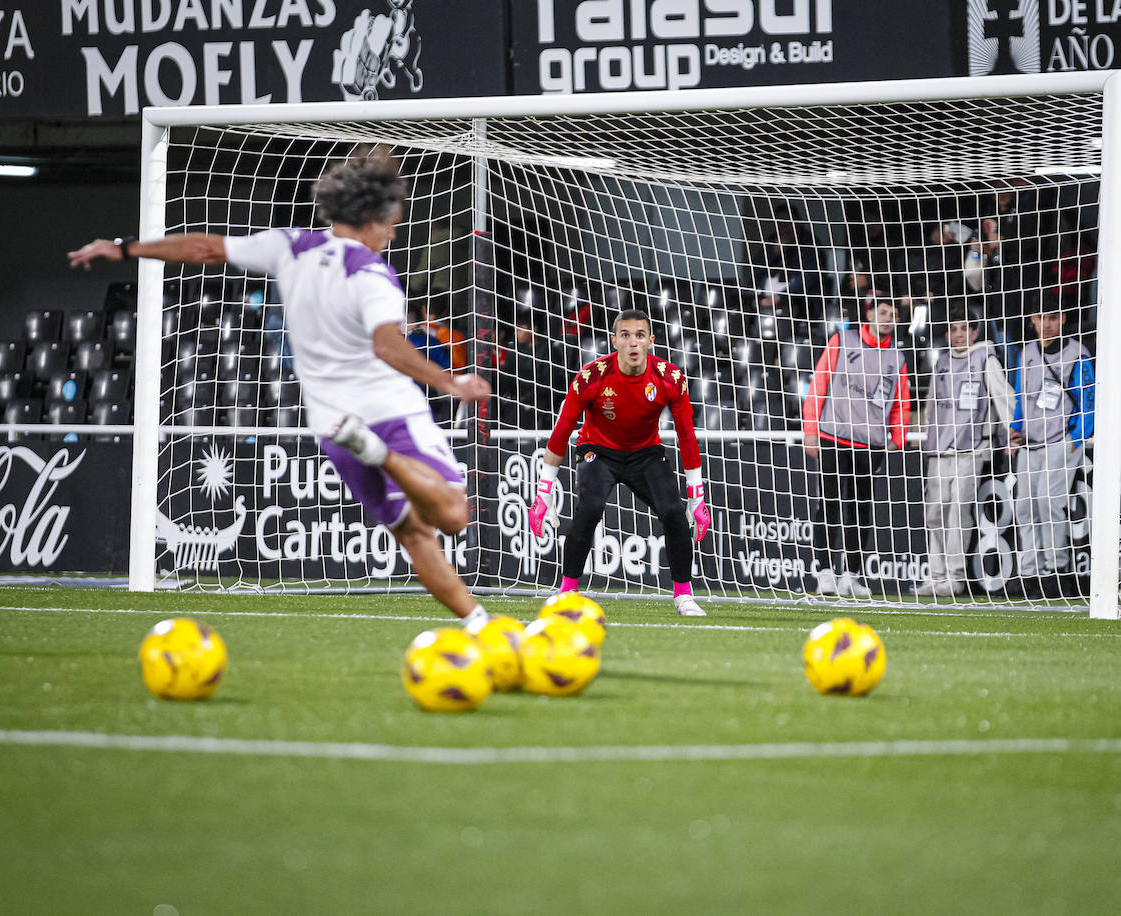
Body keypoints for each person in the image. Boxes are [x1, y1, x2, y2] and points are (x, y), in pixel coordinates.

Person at [68, 146, 495, 627]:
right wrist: (448, 381)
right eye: (391, 221)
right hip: (390, 412)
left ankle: (481, 626)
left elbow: (204, 248)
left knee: (417, 538)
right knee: (454, 516)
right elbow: (384, 345)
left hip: (333, 425)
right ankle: (381, 453)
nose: (393, 232)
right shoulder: (373, 273)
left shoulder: (291, 245)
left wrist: (125, 248)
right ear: (372, 218)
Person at [529, 309, 711, 616]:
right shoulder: (590, 377)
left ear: (651, 341)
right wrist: (544, 490)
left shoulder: (670, 378)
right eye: (625, 336)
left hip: (646, 453)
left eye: (640, 335)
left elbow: (687, 436)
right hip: (599, 451)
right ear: (614, 341)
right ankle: (567, 592)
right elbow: (561, 432)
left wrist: (697, 493)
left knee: (673, 513)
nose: (633, 343)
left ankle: (683, 595)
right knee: (589, 509)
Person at [802, 291, 911, 598]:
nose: (888, 318)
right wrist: (810, 429)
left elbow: (902, 403)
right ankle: (824, 572)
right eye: (883, 312)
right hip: (833, 436)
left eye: (893, 314)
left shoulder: (897, 358)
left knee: (861, 509)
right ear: (870, 314)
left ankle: (851, 575)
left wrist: (898, 437)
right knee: (830, 505)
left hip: (869, 446)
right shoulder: (841, 341)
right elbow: (818, 385)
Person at [917, 303, 1016, 597]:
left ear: (974, 332)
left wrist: (1013, 431)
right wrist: (927, 435)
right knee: (934, 513)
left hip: (972, 448)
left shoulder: (986, 359)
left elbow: (1003, 396)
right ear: (946, 334)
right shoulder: (943, 362)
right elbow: (932, 404)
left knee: (959, 509)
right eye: (953, 329)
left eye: (964, 329)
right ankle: (936, 576)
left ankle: (955, 576)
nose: (959, 335)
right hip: (940, 449)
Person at [1006, 302, 1095, 599]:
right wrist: (1015, 429)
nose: (1047, 324)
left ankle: (1056, 572)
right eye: (1041, 316)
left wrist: (1075, 440)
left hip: (1060, 441)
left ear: (1063, 318)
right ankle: (1028, 574)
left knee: (1048, 503)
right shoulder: (1027, 353)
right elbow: (1021, 399)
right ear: (1032, 318)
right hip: (1030, 443)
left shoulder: (1078, 354)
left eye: (1053, 317)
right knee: (1024, 507)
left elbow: (1089, 403)